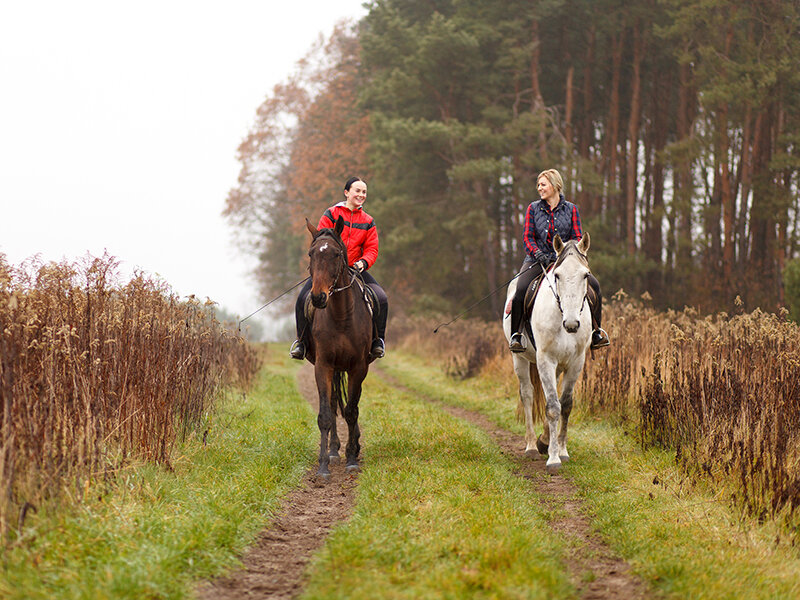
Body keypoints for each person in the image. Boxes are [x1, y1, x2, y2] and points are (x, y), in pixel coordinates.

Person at [508, 168, 610, 352]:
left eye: (543, 184)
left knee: (594, 287)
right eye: (538, 185)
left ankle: (596, 333)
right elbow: (527, 237)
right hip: (536, 260)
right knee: (521, 289)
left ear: (555, 186)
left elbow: (577, 237)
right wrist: (538, 253)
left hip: (564, 261)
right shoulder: (533, 208)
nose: (539, 188)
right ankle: (517, 335)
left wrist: (564, 255)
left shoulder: (571, 209)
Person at [290, 176, 388, 360]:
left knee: (381, 298)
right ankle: (301, 343)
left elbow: (372, 249)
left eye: (364, 192)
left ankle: (377, 342)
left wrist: (363, 263)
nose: (361, 195)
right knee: (302, 299)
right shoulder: (331, 214)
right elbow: (321, 241)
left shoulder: (368, 221)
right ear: (347, 193)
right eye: (357, 191)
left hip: (356, 269)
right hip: (329, 269)